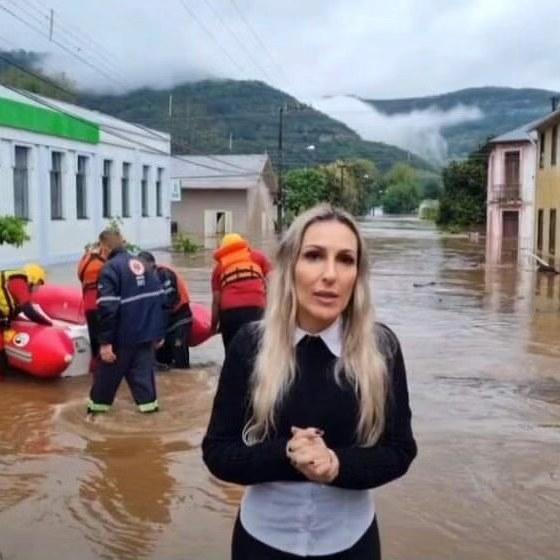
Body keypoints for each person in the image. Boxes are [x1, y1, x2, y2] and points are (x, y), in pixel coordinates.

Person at [202, 204, 417, 559]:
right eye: (315, 256)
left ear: (358, 275)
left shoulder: (382, 349)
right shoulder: (249, 345)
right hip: (263, 542)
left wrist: (336, 465)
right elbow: (218, 452)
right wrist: (287, 453)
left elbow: (399, 450)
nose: (330, 274)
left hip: (351, 543)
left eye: (346, 260)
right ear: (289, 267)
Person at [87, 232, 165, 415]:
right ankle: (152, 432)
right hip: (146, 339)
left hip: (121, 342)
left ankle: (94, 431)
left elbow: (107, 308)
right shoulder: (145, 265)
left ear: (104, 248)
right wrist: (159, 333)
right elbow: (160, 301)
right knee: (146, 395)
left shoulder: (110, 269)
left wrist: (105, 344)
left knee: (101, 392)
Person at [210, 232, 271, 350]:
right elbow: (273, 282)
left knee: (232, 352)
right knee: (257, 352)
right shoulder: (258, 257)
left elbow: (216, 302)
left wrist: (213, 327)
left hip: (230, 314)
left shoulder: (219, 268)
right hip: (256, 309)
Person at [138, 251, 193, 369]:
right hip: (163, 323)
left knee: (180, 359)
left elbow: (169, 302)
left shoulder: (164, 274)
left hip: (179, 319)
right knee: (162, 361)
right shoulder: (143, 281)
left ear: (152, 264)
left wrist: (159, 331)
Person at [0, 263, 52, 378]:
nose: (37, 289)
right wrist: (48, 324)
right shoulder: (19, 282)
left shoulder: (14, 281)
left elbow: (13, 310)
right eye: (38, 284)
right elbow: (28, 310)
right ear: (33, 279)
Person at [77, 232, 112, 372]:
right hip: (100, 306)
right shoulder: (102, 266)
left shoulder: (85, 260)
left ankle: (96, 368)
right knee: (104, 339)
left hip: (89, 306)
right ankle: (104, 368)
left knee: (95, 339)